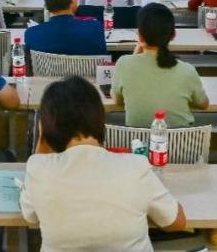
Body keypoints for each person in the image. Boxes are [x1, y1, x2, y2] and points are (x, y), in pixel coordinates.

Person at [20, 76, 187, 250]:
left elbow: (30, 216)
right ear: (100, 117)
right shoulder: (135, 167)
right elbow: (176, 222)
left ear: (48, 127)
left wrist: (43, 140)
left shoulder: (38, 170)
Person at [112, 3, 209, 127]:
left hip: (138, 139)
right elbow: (203, 104)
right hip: (179, 139)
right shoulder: (187, 70)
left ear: (140, 36)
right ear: (173, 35)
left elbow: (118, 100)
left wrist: (134, 56)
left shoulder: (123, 64)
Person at [25, 0, 107, 56]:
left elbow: (28, 62)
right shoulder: (95, 28)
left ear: (46, 2)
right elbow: (102, 60)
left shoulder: (32, 34)